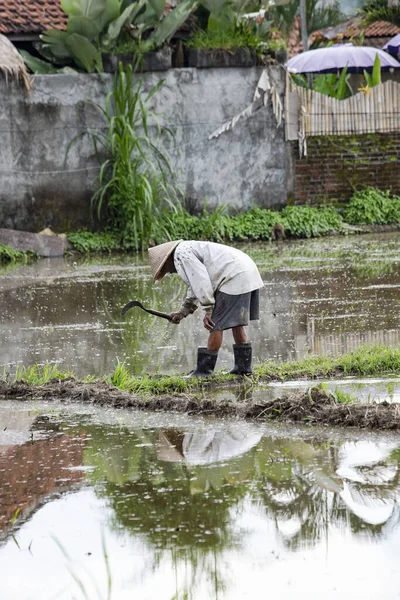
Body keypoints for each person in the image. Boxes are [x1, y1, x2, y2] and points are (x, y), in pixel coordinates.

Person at [148, 240, 263, 377]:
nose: (169, 272)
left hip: (233, 275)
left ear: (166, 260)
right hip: (247, 270)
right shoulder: (187, 249)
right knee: (236, 323)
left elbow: (200, 281)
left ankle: (204, 372)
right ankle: (243, 368)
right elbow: (195, 285)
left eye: (165, 269)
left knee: (215, 324)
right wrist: (183, 312)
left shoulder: (181, 254)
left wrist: (208, 309)